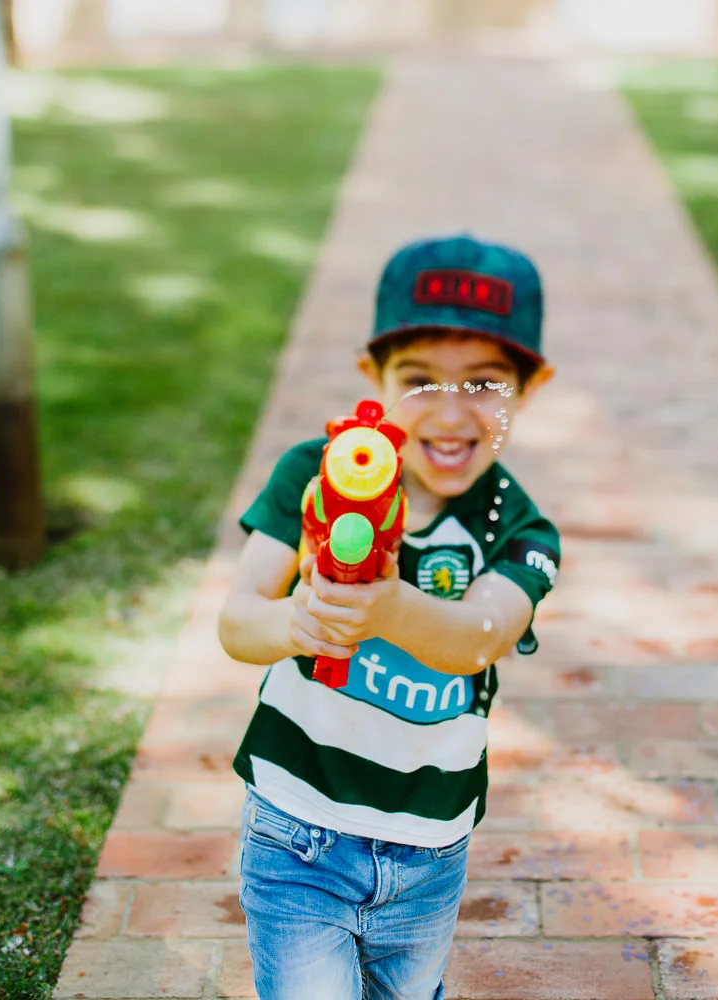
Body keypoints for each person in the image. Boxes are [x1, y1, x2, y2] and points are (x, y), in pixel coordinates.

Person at [217, 234, 561, 1000]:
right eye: (418, 380)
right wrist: (297, 623)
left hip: (431, 847)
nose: (449, 413)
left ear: (528, 389)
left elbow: (481, 637)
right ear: (371, 377)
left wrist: (390, 606)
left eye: (483, 385)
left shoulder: (517, 525)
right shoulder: (314, 473)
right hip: (297, 826)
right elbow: (238, 621)